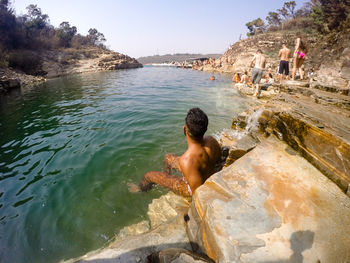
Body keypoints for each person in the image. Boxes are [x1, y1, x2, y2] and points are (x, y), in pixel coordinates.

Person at [134, 108, 222, 197]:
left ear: (184, 129)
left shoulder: (186, 160)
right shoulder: (211, 140)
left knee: (149, 176)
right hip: (203, 169)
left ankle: (139, 189)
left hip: (189, 188)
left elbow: (198, 194)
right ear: (205, 128)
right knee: (168, 158)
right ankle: (168, 175)